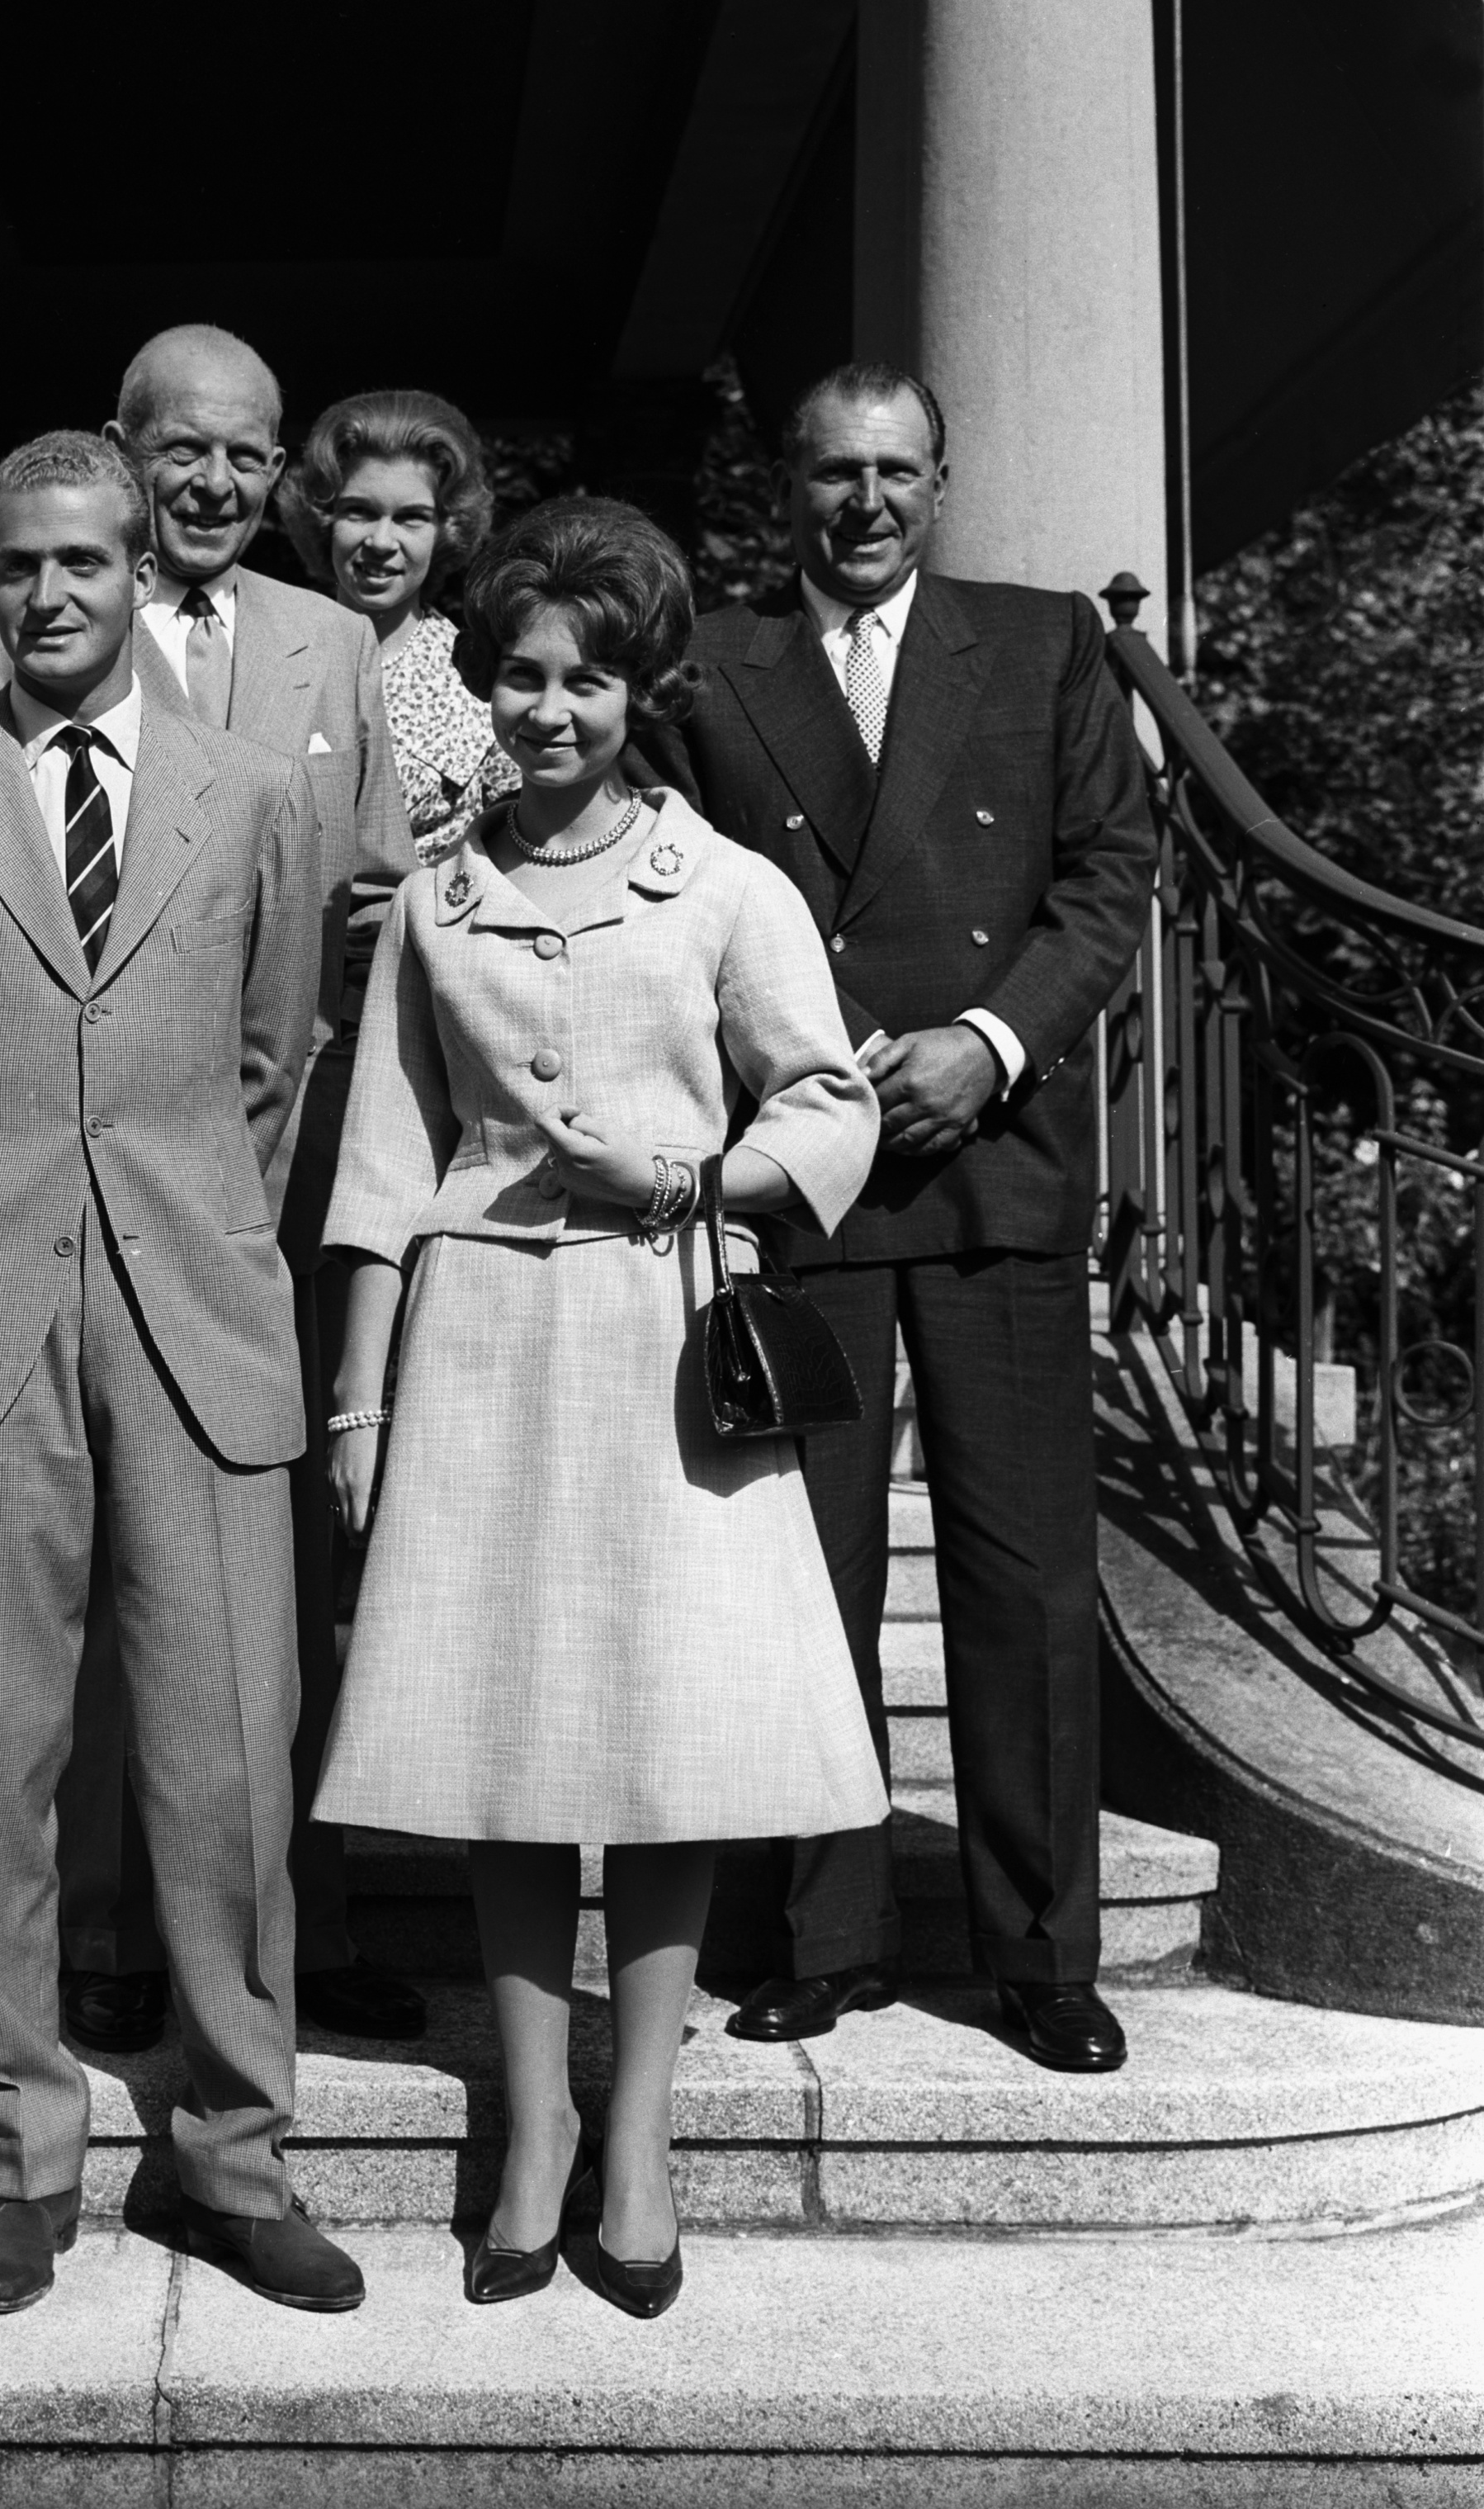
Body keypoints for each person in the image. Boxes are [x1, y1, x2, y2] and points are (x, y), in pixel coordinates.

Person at [0, 429, 362, 2317]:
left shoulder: (249, 794)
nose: (49, 594)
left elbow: (275, 1059)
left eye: (84, 562)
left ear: (144, 575)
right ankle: (14, 2159)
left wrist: (195, 1218)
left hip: (193, 1305)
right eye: (17, 565)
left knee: (223, 1759)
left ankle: (233, 2155)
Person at [319, 496, 884, 2316]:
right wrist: (357, 1399)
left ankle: (635, 2131)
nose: (548, 709)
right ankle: (535, 2120)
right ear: (482, 685)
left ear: (642, 692)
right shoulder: (436, 898)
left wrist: (695, 1179)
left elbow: (829, 1100)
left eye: (585, 680)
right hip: (482, 1340)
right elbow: (384, 1153)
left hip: (664, 1332)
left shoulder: (723, 886)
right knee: (500, 1742)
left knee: (660, 1740)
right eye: (519, 676)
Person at [645, 361, 1157, 2073]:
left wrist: (986, 1041)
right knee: (811, 1572)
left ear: (940, 481)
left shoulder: (1041, 641)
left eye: (894, 470)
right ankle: (822, 1936)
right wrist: (829, 1069)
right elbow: (684, 894)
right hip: (810, 1168)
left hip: (994, 1157)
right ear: (781, 487)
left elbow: (1107, 869)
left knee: (1024, 1574)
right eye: (830, 472)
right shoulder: (711, 664)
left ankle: (1040, 1954)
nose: (862, 502)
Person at [0, 324, 425, 2052]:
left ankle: (294, 1917)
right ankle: (103, 1933)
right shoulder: (10, 623)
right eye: (182, 450)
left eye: (246, 453)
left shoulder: (332, 638)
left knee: (270, 1581)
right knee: (79, 1582)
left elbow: (355, 906)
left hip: (267, 1182)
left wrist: (254, 1186)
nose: (214, 481)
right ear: (124, 452)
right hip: (63, 1193)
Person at [278, 386, 518, 861]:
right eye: (360, 512)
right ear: (324, 518)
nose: (381, 541)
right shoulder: (267, 651)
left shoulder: (480, 679)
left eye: (411, 518)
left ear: (446, 530)